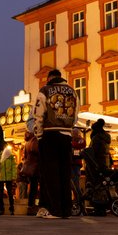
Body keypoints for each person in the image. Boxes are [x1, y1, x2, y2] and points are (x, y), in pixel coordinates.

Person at [32, 69, 79, 219]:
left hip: (49, 134)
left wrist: (39, 135)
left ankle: (55, 209)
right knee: (65, 173)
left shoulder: (45, 90)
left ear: (50, 78)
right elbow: (76, 114)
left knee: (50, 174)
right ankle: (66, 209)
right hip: (66, 134)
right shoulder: (73, 91)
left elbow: (38, 114)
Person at [85, 119, 111, 216]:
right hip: (105, 164)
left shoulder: (96, 138)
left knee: (96, 186)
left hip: (96, 165)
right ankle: (102, 207)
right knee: (102, 185)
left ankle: (99, 208)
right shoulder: (106, 137)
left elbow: (93, 152)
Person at [20, 130, 41, 215]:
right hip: (36, 167)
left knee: (32, 187)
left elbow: (25, 155)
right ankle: (36, 206)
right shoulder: (34, 140)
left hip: (30, 167)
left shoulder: (27, 142)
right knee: (37, 187)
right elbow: (36, 150)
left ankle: (30, 206)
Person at [0, 143, 17, 215]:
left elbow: (14, 166)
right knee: (0, 193)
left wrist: (14, 176)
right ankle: (1, 208)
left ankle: (11, 208)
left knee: (10, 193)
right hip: (0, 176)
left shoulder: (10, 156)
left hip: (8, 176)